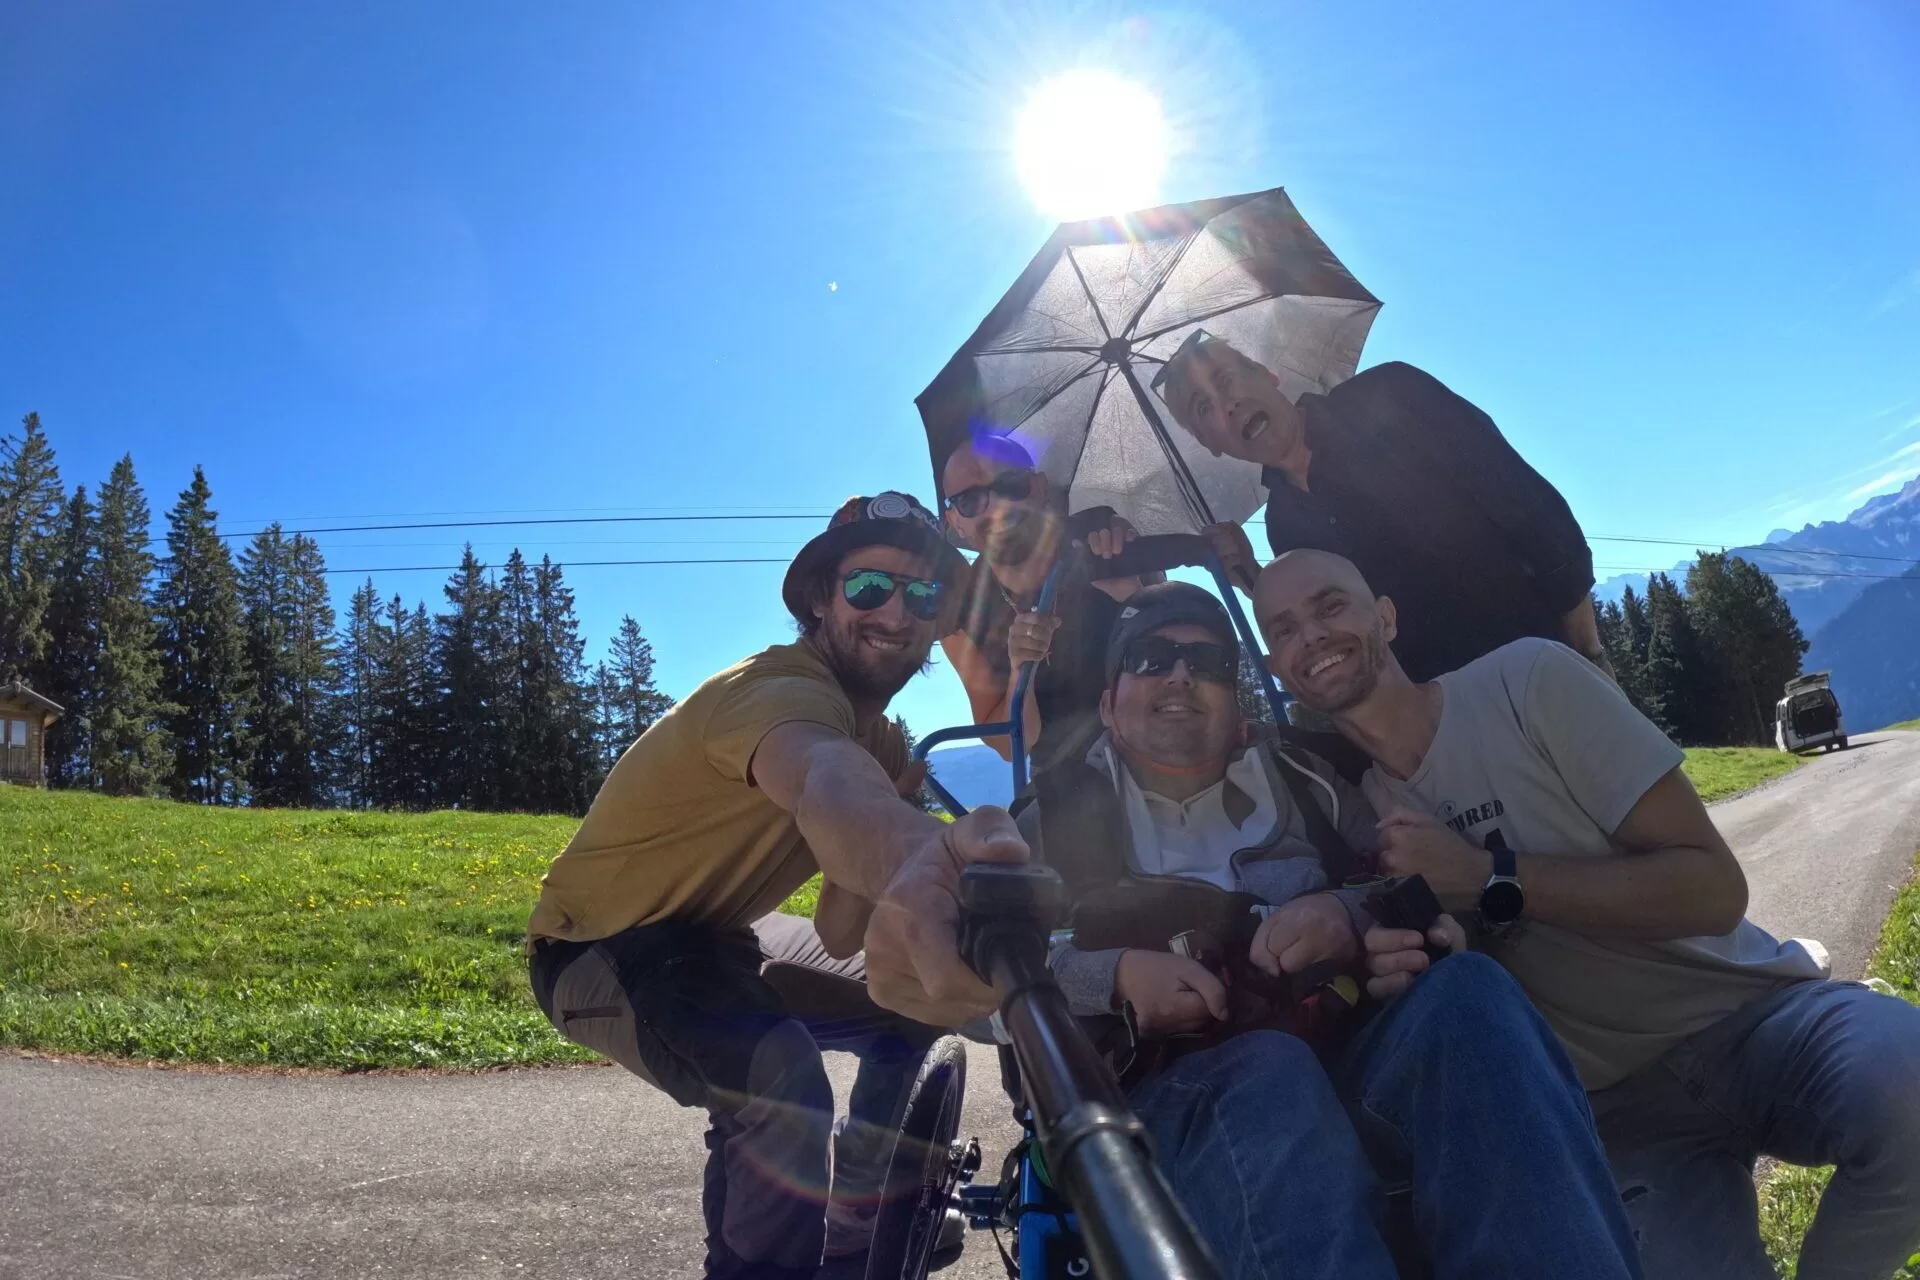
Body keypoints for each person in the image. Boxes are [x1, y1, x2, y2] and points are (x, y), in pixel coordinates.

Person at [1253, 547, 1920, 1280]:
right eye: (1282, 629)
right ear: (1277, 668)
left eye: (1329, 605)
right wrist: (1433, 958)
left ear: (1385, 614)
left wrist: (1488, 876)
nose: (1309, 636)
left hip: (1753, 1017)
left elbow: (1714, 890)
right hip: (1611, 1120)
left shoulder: (1527, 683)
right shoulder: (1359, 823)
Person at [1020, 581, 1642, 1279]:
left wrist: (1348, 916)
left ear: (1239, 700)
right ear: (1107, 703)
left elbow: (1406, 881)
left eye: (1210, 662)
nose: (1180, 676)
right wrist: (1116, 976)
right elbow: (980, 987)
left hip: (1344, 1046)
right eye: (1149, 658)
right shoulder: (1052, 819)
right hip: (1162, 1096)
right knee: (1266, 1072)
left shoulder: (1305, 780)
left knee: (1471, 992)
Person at [526, 492, 1013, 1280]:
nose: (896, 611)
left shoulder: (880, 739)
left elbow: (840, 934)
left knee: (910, 1000)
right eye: (868, 588)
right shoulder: (774, 688)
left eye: (925, 595)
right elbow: (824, 777)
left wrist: (892, 830)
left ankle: (854, 1219)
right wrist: (917, 851)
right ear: (821, 600)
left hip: (720, 935)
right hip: (597, 945)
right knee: (779, 1083)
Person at [1152, 331, 1608, 683]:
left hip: (1549, 669)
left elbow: (1528, 506)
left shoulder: (1392, 397)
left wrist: (1588, 655)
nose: (1227, 405)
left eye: (1226, 380)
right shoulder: (1284, 526)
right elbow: (1334, 628)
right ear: (1208, 444)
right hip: (1452, 732)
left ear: (1266, 373)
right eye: (1203, 409)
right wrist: (1250, 575)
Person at [938, 429, 1158, 769]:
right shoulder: (960, 614)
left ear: (1039, 489)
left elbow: (1176, 635)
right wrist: (1020, 670)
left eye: (1011, 485)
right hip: (1064, 786)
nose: (998, 509)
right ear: (955, 523)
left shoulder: (1101, 535)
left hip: (1157, 744)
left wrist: (1136, 599)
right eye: (970, 500)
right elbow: (1011, 745)